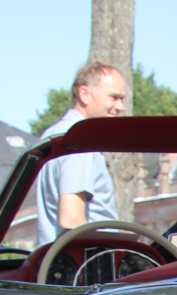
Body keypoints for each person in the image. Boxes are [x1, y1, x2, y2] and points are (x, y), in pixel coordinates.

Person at [35, 61, 128, 245]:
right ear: (85, 94)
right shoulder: (78, 142)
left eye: (122, 99)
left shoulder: (53, 135)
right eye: (114, 97)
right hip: (85, 266)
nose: (120, 107)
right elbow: (72, 219)